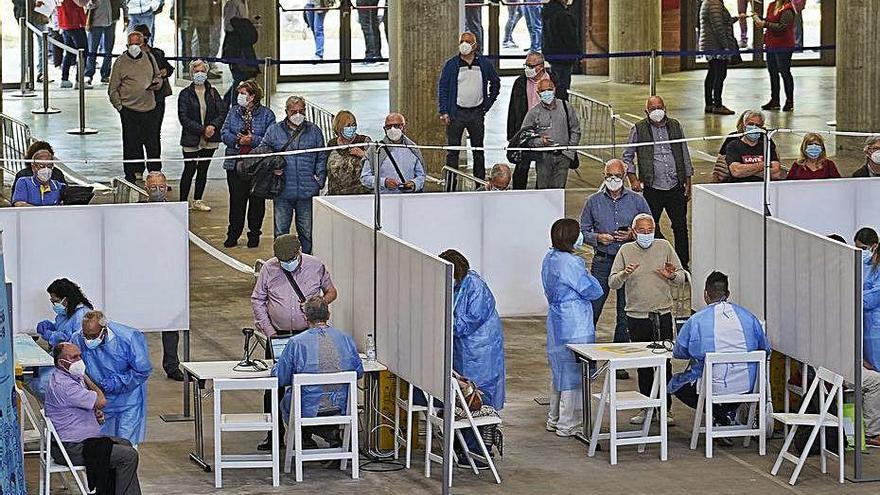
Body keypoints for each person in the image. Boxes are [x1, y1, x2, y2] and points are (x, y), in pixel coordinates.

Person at [252, 234, 338, 450]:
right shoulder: (269, 269)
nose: (286, 264)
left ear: (299, 252)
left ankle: (305, 434)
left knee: (307, 386)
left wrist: (319, 302)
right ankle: (274, 435)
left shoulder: (315, 266)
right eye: (282, 261)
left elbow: (331, 291)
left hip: (307, 336)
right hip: (278, 336)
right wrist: (270, 332)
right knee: (274, 386)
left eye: (289, 259)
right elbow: (258, 299)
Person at [609, 213, 686, 425]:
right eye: (641, 231)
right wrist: (625, 273)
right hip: (636, 315)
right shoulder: (625, 250)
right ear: (633, 232)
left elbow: (682, 276)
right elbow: (612, 282)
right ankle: (647, 408)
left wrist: (671, 275)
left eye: (649, 231)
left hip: (661, 314)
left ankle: (666, 408)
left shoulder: (664, 247)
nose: (645, 234)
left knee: (664, 363)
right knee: (643, 365)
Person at [668, 272, 771, 428]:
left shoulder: (697, 320)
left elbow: (679, 352)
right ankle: (726, 415)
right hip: (747, 387)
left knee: (677, 384)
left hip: (711, 388)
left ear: (705, 294)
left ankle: (719, 415)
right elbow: (765, 349)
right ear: (728, 294)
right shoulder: (749, 318)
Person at [580, 159, 652, 375]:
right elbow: (583, 231)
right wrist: (597, 238)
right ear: (604, 176)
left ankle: (617, 363)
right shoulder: (593, 201)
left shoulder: (637, 202)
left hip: (628, 261)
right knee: (593, 309)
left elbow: (649, 225)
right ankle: (587, 358)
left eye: (617, 177)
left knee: (624, 313)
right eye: (609, 176)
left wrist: (632, 234)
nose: (613, 180)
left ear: (625, 176)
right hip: (603, 260)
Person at [45, 343, 142, 495]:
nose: (79, 360)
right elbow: (101, 401)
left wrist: (93, 414)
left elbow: (84, 406)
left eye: (80, 356)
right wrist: (88, 379)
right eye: (74, 357)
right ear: (62, 363)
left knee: (126, 444)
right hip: (71, 448)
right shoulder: (65, 385)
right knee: (128, 456)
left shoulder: (69, 377)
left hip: (81, 440)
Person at [273, 296, 363, 453]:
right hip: (341, 406)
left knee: (287, 400)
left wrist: (274, 367)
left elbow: (281, 377)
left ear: (306, 317)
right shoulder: (346, 339)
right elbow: (359, 372)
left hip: (308, 408)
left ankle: (305, 438)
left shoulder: (296, 343)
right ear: (328, 315)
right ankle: (331, 433)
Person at [542, 218, 603, 436]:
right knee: (575, 371)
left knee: (559, 370)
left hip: (557, 318)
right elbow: (592, 290)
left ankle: (554, 417)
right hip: (574, 320)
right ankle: (569, 423)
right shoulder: (571, 263)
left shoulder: (549, 258)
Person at [623, 96, 694, 270]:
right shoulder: (639, 129)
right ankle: (657, 258)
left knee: (680, 226)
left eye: (660, 107)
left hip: (675, 185)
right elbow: (627, 155)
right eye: (653, 108)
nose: (657, 111)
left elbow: (684, 152)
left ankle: (682, 264)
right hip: (652, 187)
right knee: (650, 225)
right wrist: (633, 178)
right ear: (646, 112)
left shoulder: (675, 126)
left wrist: (688, 180)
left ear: (665, 108)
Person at [70, 310, 152, 446]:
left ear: (104, 329)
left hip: (128, 401)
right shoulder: (78, 338)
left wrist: (119, 382)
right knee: (101, 445)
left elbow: (142, 370)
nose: (88, 340)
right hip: (99, 400)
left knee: (127, 444)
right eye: (86, 335)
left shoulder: (128, 338)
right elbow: (76, 367)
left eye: (93, 336)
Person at [439, 249, 505, 410]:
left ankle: (483, 422)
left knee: (480, 385)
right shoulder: (454, 286)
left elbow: (470, 321)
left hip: (480, 346)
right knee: (462, 384)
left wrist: (443, 325)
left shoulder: (475, 286)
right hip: (462, 345)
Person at [262, 96, 327, 252]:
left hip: (307, 191)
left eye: (301, 111)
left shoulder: (315, 131)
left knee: (307, 231)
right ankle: (281, 261)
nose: (298, 114)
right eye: (294, 111)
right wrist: (273, 168)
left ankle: (307, 262)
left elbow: (321, 156)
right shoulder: (274, 130)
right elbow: (264, 152)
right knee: (281, 232)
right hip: (282, 191)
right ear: (286, 112)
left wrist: (319, 178)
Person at [438, 31, 500, 181]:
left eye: (467, 41)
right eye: (462, 41)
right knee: (453, 151)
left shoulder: (484, 64)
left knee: (478, 150)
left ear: (474, 45)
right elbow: (443, 88)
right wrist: (444, 111)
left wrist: (488, 103)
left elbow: (495, 82)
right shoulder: (452, 64)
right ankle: (451, 182)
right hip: (456, 114)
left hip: (477, 113)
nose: (464, 44)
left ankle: (479, 181)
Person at [220, 80, 276, 248]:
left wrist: (252, 140)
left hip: (257, 166)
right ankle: (233, 234)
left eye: (244, 93)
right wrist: (237, 140)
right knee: (236, 202)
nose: (240, 96)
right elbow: (224, 133)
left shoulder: (267, 114)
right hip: (235, 164)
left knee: (257, 202)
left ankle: (254, 234)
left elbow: (270, 139)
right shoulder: (233, 112)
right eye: (240, 93)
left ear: (253, 96)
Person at [108, 30, 162, 183]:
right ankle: (133, 173)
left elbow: (157, 76)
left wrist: (157, 85)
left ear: (143, 44)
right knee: (131, 142)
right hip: (129, 110)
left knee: (153, 143)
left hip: (150, 109)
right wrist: (120, 107)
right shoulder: (120, 62)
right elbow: (112, 89)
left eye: (137, 44)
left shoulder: (150, 58)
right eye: (131, 44)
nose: (134, 47)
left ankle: (155, 173)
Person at [178, 59, 228, 211]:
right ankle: (182, 202)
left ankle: (198, 200)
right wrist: (202, 129)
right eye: (196, 71)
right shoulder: (185, 94)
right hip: (191, 138)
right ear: (192, 73)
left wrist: (212, 127)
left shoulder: (213, 92)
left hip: (210, 139)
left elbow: (221, 112)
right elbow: (183, 117)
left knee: (203, 169)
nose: (200, 74)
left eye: (202, 71)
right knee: (189, 169)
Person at [507, 52, 562, 190]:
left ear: (541, 66)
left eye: (531, 65)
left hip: (547, 130)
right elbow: (513, 109)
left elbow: (562, 105)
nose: (527, 68)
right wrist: (512, 135)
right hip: (526, 129)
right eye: (526, 65)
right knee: (521, 167)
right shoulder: (520, 82)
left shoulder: (554, 80)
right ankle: (518, 195)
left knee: (545, 168)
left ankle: (541, 196)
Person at [520, 78, 580, 189]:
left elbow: (575, 130)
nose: (546, 93)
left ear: (554, 90)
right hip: (543, 158)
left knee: (559, 190)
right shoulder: (533, 113)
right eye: (543, 91)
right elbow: (525, 135)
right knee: (543, 190)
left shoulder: (566, 107)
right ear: (538, 94)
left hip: (563, 157)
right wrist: (539, 142)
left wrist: (569, 152)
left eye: (549, 90)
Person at [360, 112, 426, 194]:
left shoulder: (413, 149)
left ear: (403, 128)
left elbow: (421, 176)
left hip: (408, 198)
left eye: (397, 126)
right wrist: (384, 182)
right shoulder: (375, 150)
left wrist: (414, 183)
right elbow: (365, 178)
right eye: (389, 126)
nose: (393, 129)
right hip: (384, 199)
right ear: (384, 129)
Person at [855, 228, 880, 446]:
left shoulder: (876, 268)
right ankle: (873, 430)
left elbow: (870, 299)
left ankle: (874, 431)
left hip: (875, 329)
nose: (859, 253)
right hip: (868, 330)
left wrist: (851, 295)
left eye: (861, 249)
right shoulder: (864, 265)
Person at [133, 24, 174, 154]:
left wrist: (164, 71)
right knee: (136, 135)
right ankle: (136, 168)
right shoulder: (128, 56)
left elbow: (169, 68)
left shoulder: (157, 53)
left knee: (154, 132)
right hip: (137, 100)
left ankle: (154, 166)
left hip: (157, 99)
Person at [700, 0, 741, 115]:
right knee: (720, 74)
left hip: (711, 44)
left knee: (712, 73)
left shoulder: (708, 2)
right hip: (716, 45)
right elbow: (718, 27)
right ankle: (717, 104)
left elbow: (720, 22)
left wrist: (735, 19)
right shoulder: (715, 4)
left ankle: (709, 104)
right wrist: (726, 45)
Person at [754, 0, 796, 111]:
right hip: (771, 44)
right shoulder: (772, 5)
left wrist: (765, 24)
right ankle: (775, 100)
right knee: (772, 72)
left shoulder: (788, 9)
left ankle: (789, 101)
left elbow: (782, 27)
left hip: (784, 45)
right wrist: (760, 20)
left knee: (784, 72)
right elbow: (769, 21)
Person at [725, 109, 785, 182]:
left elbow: (776, 173)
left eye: (758, 125)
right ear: (744, 127)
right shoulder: (733, 145)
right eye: (750, 124)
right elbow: (736, 171)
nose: (754, 127)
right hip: (739, 187)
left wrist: (746, 171)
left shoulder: (767, 144)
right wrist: (765, 164)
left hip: (763, 187)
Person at [37, 278, 94, 347]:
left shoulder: (82, 314)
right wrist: (52, 327)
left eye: (56, 301)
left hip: (75, 356)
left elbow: (78, 343)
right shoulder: (66, 313)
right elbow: (63, 328)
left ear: (67, 299)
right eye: (52, 301)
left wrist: (53, 336)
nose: (54, 304)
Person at [327, 110, 371, 195]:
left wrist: (363, 154)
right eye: (348, 125)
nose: (351, 128)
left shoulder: (364, 141)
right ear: (339, 127)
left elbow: (376, 162)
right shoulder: (331, 144)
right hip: (335, 195)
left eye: (353, 125)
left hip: (360, 195)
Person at [541, 0, 578, 99]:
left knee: (556, 80)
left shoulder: (547, 11)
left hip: (552, 52)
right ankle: (562, 107)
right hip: (564, 54)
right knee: (562, 85)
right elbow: (568, 36)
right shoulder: (562, 14)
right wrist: (576, 53)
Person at [84, 0, 126, 85]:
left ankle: (105, 75)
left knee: (108, 50)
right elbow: (86, 5)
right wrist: (93, 3)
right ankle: (88, 74)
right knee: (92, 50)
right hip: (95, 22)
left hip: (111, 22)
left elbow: (123, 3)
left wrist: (126, 18)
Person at [221, 15, 259, 105]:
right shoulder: (244, 30)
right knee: (238, 84)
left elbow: (230, 50)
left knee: (237, 83)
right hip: (244, 61)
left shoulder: (235, 33)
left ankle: (227, 104)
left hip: (239, 62)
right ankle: (227, 104)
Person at [57, 0, 90, 89]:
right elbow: (80, 2)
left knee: (69, 52)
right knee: (83, 52)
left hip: (65, 22)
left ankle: (64, 79)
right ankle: (79, 80)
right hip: (74, 22)